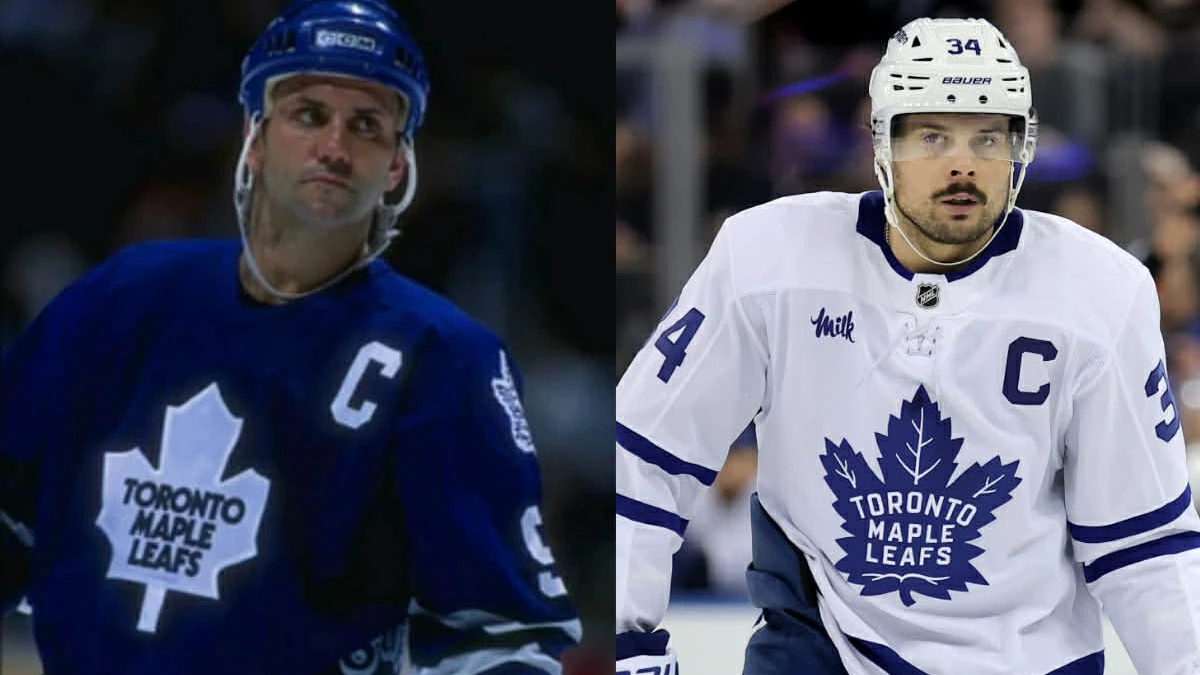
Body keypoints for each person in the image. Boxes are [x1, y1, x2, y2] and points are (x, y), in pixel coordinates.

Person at [0, 1, 580, 673]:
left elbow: (503, 635)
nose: (334, 146)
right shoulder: (119, 299)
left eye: (366, 125)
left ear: (397, 165)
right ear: (255, 136)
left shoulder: (442, 357)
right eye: (308, 115)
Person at [616, 16, 1200, 675]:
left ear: (1022, 147)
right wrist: (628, 644)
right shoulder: (768, 258)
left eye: (988, 136)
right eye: (932, 135)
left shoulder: (1100, 291)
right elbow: (644, 452)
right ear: (882, 144)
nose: (962, 162)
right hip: (820, 650)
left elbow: (1145, 543)